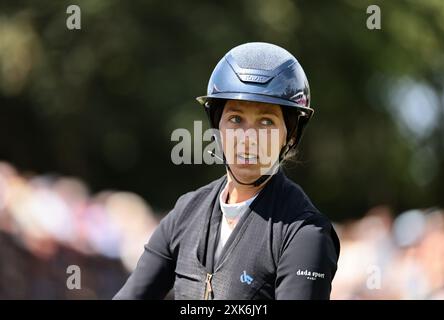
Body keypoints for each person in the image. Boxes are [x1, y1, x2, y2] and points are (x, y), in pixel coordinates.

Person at [114, 42, 340, 300]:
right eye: (235, 119)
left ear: (290, 135)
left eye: (266, 122)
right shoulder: (186, 212)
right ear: (217, 125)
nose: (248, 138)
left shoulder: (306, 233)